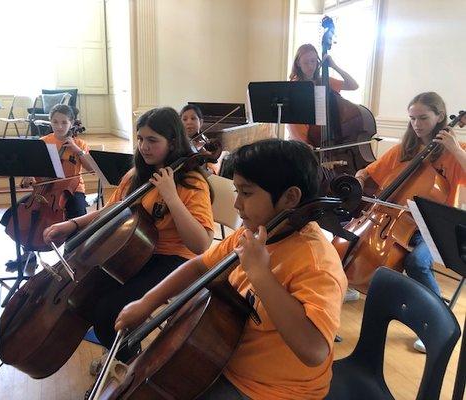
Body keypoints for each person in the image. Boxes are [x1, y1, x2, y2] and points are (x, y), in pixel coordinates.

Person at [115, 139, 347, 399]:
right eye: (237, 191)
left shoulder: (316, 263)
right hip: (220, 356)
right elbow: (198, 266)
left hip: (274, 389)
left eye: (246, 193)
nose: (237, 205)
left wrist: (260, 274)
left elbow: (313, 350)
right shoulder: (254, 233)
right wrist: (147, 302)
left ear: (290, 198)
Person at [43, 107, 215, 363]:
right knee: (91, 296)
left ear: (173, 142)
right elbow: (113, 209)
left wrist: (170, 194)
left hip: (174, 259)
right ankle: (121, 354)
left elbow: (201, 244)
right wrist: (74, 225)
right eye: (141, 139)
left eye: (152, 140)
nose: (144, 147)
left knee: (110, 313)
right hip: (133, 252)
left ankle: (127, 366)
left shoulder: (191, 182)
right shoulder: (137, 174)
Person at [355, 92, 466, 352]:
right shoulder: (403, 150)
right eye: (413, 118)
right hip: (400, 222)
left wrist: (454, 148)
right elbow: (368, 172)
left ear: (440, 116)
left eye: (424, 118)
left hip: (435, 225)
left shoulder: (453, 152)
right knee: (359, 240)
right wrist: (359, 179)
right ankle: (354, 278)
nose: (417, 124)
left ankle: (436, 321)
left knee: (417, 261)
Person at [0, 104, 91, 271]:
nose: (59, 126)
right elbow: (33, 167)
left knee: (78, 217)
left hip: (72, 190)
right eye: (55, 122)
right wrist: (29, 176)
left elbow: (91, 169)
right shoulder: (43, 142)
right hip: (44, 189)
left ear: (71, 123)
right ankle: (28, 254)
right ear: (50, 122)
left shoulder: (80, 143)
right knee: (15, 214)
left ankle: (72, 258)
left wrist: (76, 149)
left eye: (64, 122)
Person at [288, 43, 359, 144]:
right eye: (305, 62)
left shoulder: (324, 81)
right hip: (299, 144)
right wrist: (304, 147)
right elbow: (293, 126)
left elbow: (353, 86)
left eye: (313, 61)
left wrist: (334, 66)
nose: (310, 66)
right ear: (298, 63)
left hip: (323, 141)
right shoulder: (294, 86)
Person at [180, 104, 229, 175]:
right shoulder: (179, 142)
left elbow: (211, 162)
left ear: (201, 122)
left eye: (193, 118)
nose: (189, 122)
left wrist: (205, 155)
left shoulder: (203, 143)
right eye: (184, 119)